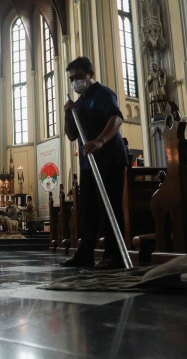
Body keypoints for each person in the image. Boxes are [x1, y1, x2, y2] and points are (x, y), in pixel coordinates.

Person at [60, 56, 128, 269]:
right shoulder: (78, 103)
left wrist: (100, 140)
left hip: (109, 160)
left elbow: (116, 118)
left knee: (109, 208)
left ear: (90, 74)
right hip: (88, 164)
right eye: (71, 79)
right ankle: (85, 254)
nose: (75, 82)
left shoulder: (102, 93)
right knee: (88, 211)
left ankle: (113, 256)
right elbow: (71, 136)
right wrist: (67, 114)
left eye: (78, 77)